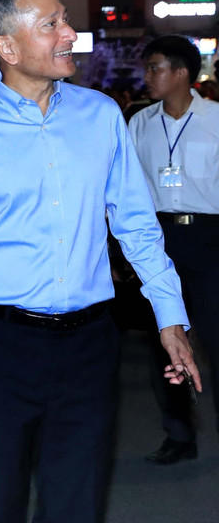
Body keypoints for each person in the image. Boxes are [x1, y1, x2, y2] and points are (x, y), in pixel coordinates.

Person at [0, 0, 200, 523]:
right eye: (52, 25)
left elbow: (136, 225)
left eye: (65, 19)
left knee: (77, 503)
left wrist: (170, 316)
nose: (70, 33)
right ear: (7, 47)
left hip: (90, 343)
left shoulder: (100, 116)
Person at [128, 34, 219, 465]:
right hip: (158, 240)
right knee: (163, 341)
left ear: (182, 72)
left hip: (210, 237)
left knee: (216, 339)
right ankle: (178, 435)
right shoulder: (138, 124)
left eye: (155, 68)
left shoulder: (216, 119)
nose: (147, 77)